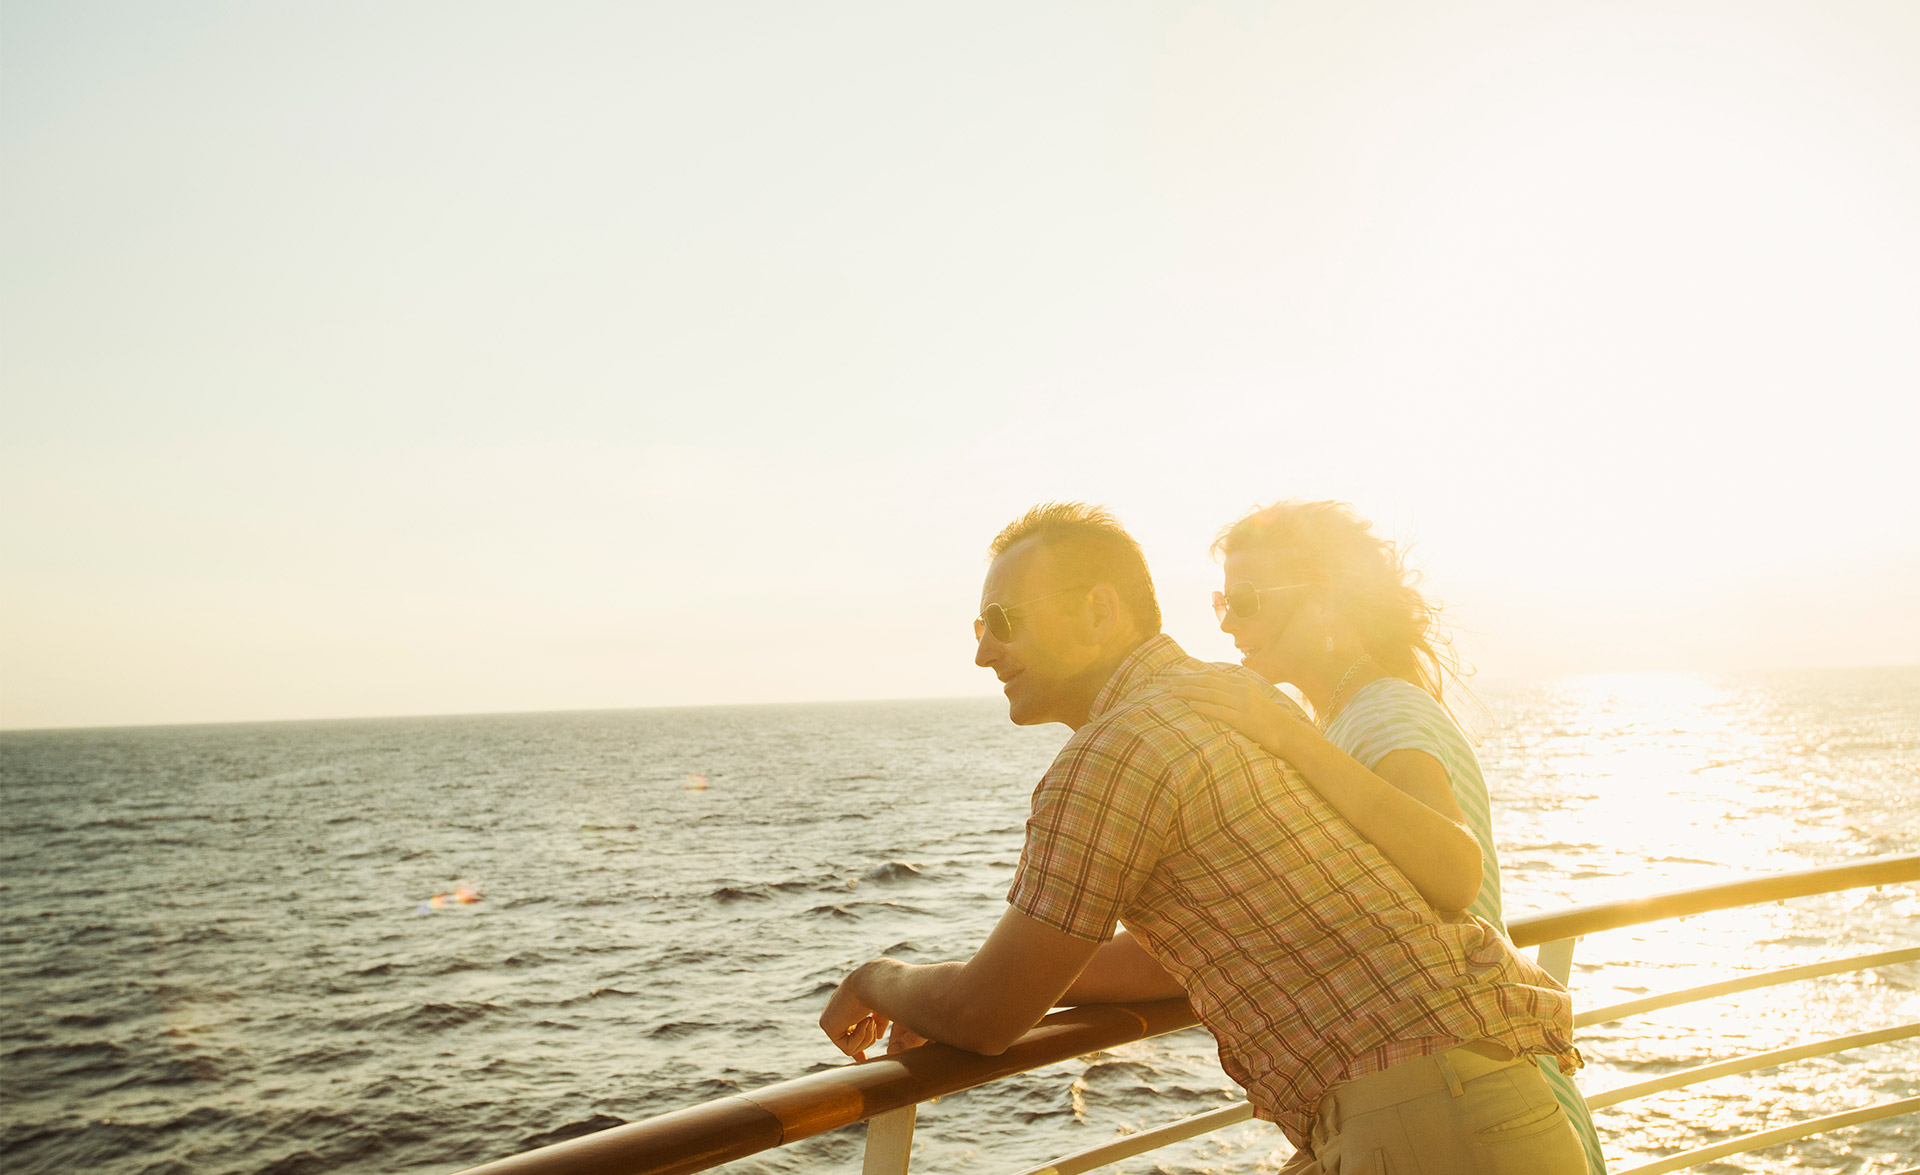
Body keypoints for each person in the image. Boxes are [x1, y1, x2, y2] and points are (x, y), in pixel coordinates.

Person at [820, 502, 1587, 1173]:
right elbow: (1237, 933)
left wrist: (878, 977)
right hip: (1471, 1098)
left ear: (1098, 610)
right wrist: (1023, 974)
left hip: (1419, 1124)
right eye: (980, 627)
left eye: (1005, 621)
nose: (984, 650)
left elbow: (986, 1016)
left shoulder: (1115, 752)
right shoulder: (1233, 697)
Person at [1167, 499, 1606, 1175]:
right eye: (1224, 600)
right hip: (1470, 1095)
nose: (1230, 623)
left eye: (1249, 600)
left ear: (1323, 604)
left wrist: (1282, 734)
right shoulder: (1349, 719)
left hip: (1475, 1109)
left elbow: (1452, 870)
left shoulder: (1382, 714)